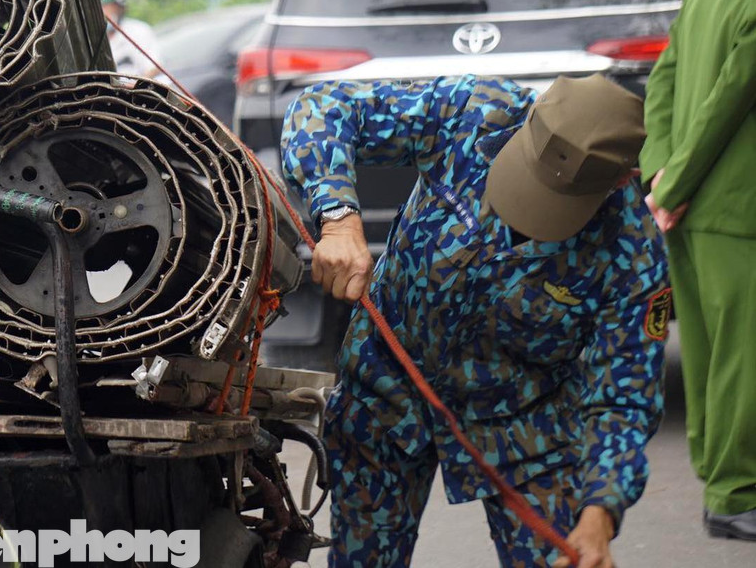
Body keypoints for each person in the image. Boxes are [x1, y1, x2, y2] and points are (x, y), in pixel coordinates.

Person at [282, 74, 667, 568]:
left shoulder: (632, 255)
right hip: (387, 391)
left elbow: (624, 399)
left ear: (620, 181)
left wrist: (599, 514)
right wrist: (337, 216)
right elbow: (322, 106)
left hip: (524, 426)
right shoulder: (476, 111)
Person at [638, 0, 756, 541]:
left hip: (688, 216)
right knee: (743, 355)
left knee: (712, 354)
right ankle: (736, 494)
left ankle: (722, 481)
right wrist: (675, 184)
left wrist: (659, 176)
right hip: (737, 211)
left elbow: (663, 87)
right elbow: (724, 107)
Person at [98, 0, 158, 76]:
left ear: (121, 6)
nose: (103, 10)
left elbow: (153, 68)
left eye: (107, 5)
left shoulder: (139, 31)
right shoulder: (91, 41)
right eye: (100, 5)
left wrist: (131, 89)